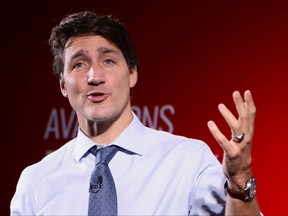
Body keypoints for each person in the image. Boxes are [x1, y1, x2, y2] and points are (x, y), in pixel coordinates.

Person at [10, 11, 261, 215]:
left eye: (108, 61)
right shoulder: (35, 182)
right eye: (79, 64)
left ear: (132, 74)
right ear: (63, 85)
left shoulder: (189, 161)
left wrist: (239, 181)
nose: (94, 77)